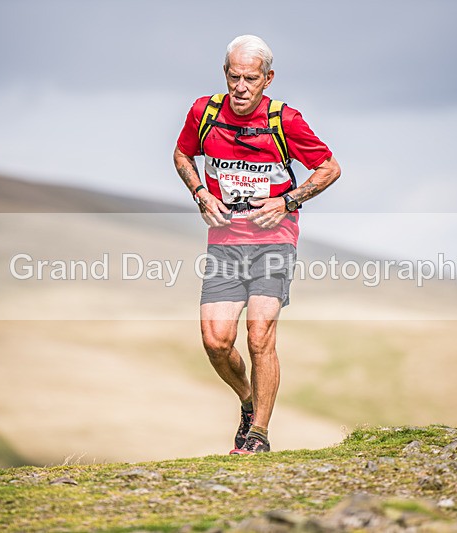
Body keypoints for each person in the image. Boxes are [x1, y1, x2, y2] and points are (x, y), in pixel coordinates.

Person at [173, 35, 341, 454]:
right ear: (225, 74)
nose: (241, 87)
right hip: (225, 242)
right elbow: (181, 154)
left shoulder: (285, 121)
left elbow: (329, 168)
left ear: (268, 79)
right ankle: (248, 401)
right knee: (215, 340)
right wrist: (201, 193)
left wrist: (287, 201)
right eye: (234, 77)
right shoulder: (204, 112)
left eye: (251, 78)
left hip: (274, 241)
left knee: (260, 333)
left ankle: (259, 436)